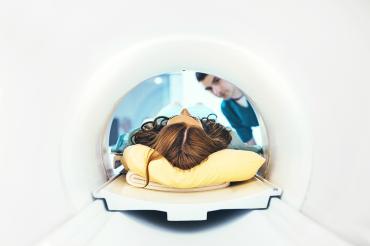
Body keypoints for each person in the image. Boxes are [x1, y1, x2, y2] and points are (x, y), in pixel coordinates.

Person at [113, 107, 262, 187]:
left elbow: (122, 148)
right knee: (201, 107)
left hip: (160, 124)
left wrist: (165, 121)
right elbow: (255, 151)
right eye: (193, 118)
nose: (185, 109)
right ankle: (198, 110)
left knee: (170, 109)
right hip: (207, 122)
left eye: (171, 120)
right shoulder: (227, 139)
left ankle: (171, 113)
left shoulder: (143, 135)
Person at [195, 72, 259, 145]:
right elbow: (245, 134)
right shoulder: (226, 107)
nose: (217, 92)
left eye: (216, 80)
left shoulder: (256, 86)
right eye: (210, 89)